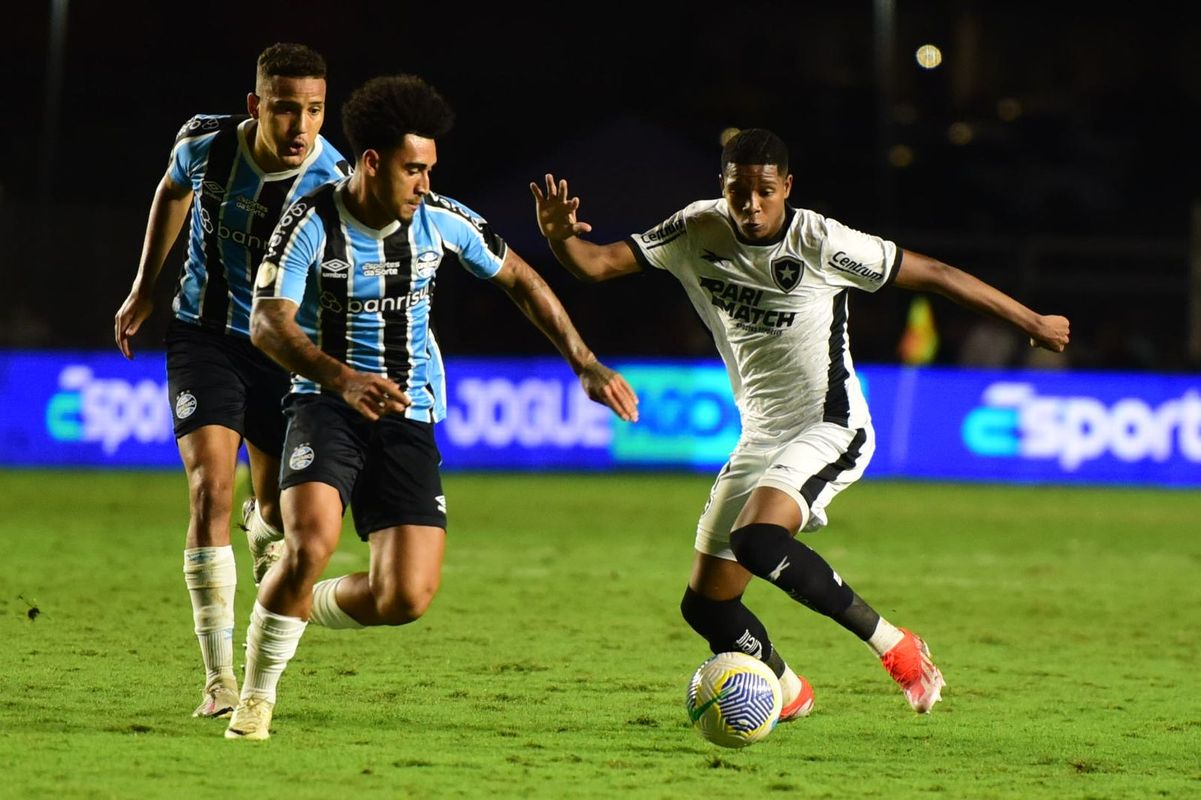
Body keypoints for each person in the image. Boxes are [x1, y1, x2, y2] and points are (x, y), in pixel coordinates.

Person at [530, 128, 1071, 718]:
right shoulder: (696, 228)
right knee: (707, 607)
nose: (751, 205)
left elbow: (935, 272)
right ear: (723, 188)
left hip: (830, 424)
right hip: (759, 433)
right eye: (739, 191)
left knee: (758, 540)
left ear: (786, 187)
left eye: (765, 191)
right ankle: (787, 692)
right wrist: (558, 239)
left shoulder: (820, 240)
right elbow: (597, 263)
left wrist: (1032, 320)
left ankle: (897, 647)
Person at [225, 74, 640, 740]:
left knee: (405, 598)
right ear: (370, 163)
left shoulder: (442, 219)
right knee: (311, 544)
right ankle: (254, 699)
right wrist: (339, 378)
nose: (423, 183)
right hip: (324, 407)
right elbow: (268, 325)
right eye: (412, 169)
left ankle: (296, 604)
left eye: (429, 170)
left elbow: (522, 281)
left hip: (408, 417)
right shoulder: (308, 223)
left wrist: (584, 362)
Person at [112, 43, 350, 719]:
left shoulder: (331, 180)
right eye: (284, 109)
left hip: (284, 354)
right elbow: (170, 191)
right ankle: (218, 681)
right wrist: (142, 289)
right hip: (203, 335)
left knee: (276, 515)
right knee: (208, 486)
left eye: (313, 110)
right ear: (256, 106)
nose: (300, 126)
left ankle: (260, 522)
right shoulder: (203, 144)